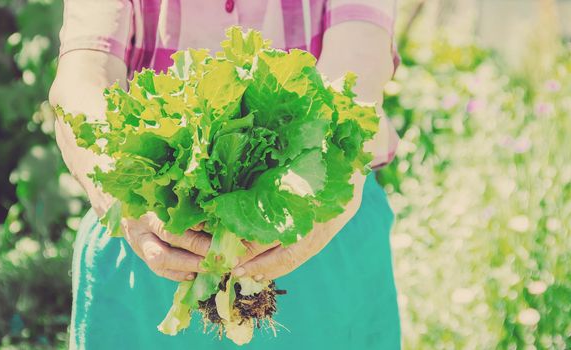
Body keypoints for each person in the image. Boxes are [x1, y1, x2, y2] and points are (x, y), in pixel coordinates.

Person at [49, 0, 401, 348]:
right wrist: (120, 190)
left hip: (320, 228)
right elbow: (83, 76)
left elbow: (360, 62)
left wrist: (310, 183)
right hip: (148, 236)